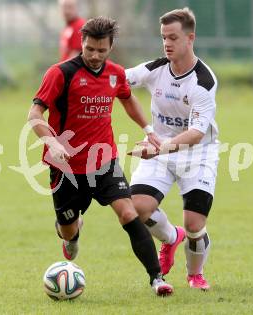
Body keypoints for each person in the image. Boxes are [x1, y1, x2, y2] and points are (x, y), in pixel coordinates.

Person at [28, 17, 173, 296]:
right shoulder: (60, 73)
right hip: (66, 167)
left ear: (111, 47)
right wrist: (52, 141)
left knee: (129, 213)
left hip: (104, 161)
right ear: (82, 43)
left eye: (101, 50)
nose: (94, 55)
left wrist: (147, 129)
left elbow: (127, 97)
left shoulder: (116, 74)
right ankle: (72, 229)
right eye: (89, 49)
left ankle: (157, 278)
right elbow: (34, 114)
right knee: (68, 231)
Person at [126, 7, 220, 290]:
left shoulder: (203, 82)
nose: (167, 43)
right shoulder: (155, 69)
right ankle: (169, 239)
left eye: (173, 38)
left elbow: (195, 133)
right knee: (139, 207)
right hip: (161, 149)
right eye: (163, 37)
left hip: (197, 153)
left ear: (190, 38)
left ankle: (195, 274)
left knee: (194, 223)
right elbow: (117, 79)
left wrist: (162, 147)